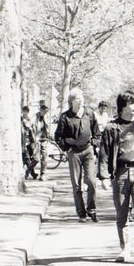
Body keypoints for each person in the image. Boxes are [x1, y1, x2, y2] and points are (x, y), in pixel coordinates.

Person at [97, 90, 134, 263]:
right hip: (121, 174)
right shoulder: (111, 128)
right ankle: (124, 249)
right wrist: (104, 176)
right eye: (131, 103)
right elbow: (104, 153)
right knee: (122, 214)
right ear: (123, 106)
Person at [54, 87, 101, 222]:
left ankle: (91, 209)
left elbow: (97, 132)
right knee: (77, 185)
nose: (80, 101)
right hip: (73, 153)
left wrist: (94, 143)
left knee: (91, 181)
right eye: (77, 99)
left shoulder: (89, 114)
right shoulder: (65, 117)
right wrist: (66, 148)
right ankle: (81, 213)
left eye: (82, 98)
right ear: (71, 101)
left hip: (88, 151)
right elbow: (58, 136)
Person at [21, 106, 38, 178]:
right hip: (24, 141)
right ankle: (31, 173)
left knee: (33, 158)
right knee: (27, 158)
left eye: (26, 112)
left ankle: (29, 172)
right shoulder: (20, 120)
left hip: (30, 141)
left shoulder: (29, 119)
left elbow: (32, 129)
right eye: (23, 111)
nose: (25, 113)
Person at [34, 104, 51, 181]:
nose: (45, 113)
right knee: (36, 158)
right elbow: (32, 127)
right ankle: (29, 170)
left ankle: (43, 174)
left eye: (46, 111)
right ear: (41, 110)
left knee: (44, 157)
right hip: (36, 139)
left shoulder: (46, 117)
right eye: (44, 111)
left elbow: (48, 127)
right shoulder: (35, 117)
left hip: (44, 139)